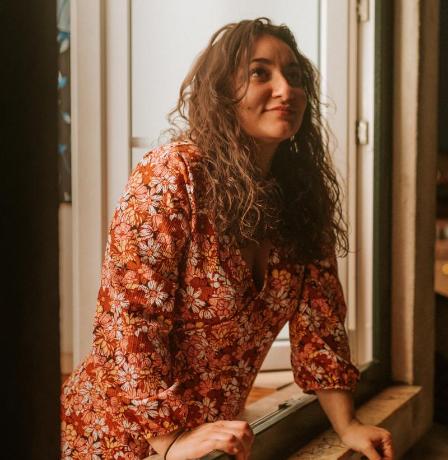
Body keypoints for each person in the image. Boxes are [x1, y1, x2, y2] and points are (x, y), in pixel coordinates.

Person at [60, 18, 393, 460]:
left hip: (213, 444)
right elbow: (129, 319)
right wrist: (170, 440)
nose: (286, 89)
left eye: (294, 76)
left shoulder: (300, 201)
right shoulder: (173, 174)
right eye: (260, 73)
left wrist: (347, 425)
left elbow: (321, 325)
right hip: (112, 435)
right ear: (221, 91)